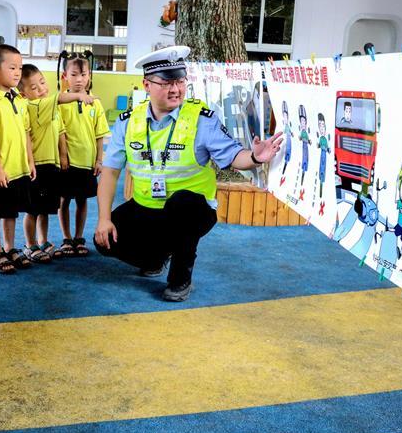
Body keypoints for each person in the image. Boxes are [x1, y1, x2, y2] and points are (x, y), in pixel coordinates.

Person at [94, 46, 282, 301]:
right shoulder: (128, 122)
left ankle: (180, 279)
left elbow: (232, 155)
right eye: (166, 82)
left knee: (183, 205)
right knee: (105, 240)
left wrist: (255, 157)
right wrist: (104, 218)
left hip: (193, 209)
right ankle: (156, 256)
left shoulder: (201, 119)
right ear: (146, 85)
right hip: (146, 206)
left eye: (180, 81)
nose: (175, 89)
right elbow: (110, 173)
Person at [18, 63, 95, 262]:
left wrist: (63, 155)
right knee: (33, 209)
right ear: (24, 94)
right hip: (37, 165)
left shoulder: (50, 107)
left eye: (42, 82)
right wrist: (79, 96)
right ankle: (30, 244)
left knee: (45, 208)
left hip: (51, 165)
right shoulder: (34, 105)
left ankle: (43, 241)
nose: (42, 89)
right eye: (34, 88)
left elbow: (61, 132)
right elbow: (60, 98)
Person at [0, 44, 35, 274]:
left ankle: (11, 248)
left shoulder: (20, 100)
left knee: (11, 212)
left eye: (20, 68)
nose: (17, 72)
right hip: (0, 172)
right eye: (12, 67)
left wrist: (29, 161)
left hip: (18, 169)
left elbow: (27, 134)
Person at [55, 51, 109, 258]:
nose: (79, 80)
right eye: (74, 74)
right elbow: (59, 133)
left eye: (83, 75)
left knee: (82, 200)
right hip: (67, 163)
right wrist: (63, 157)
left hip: (87, 162)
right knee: (64, 200)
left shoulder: (95, 103)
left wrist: (99, 159)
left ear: (90, 77)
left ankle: (78, 237)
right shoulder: (60, 103)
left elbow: (99, 134)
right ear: (64, 76)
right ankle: (66, 237)